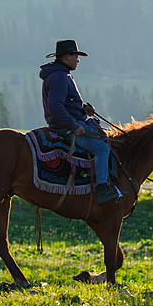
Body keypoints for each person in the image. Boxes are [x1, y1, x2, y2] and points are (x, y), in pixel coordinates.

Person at [39, 39, 120, 205]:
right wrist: (74, 126)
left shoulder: (60, 74)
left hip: (68, 122)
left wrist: (83, 109)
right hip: (66, 126)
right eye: (75, 55)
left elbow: (65, 102)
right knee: (102, 148)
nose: (78, 59)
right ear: (66, 56)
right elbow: (55, 106)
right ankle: (102, 189)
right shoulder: (60, 76)